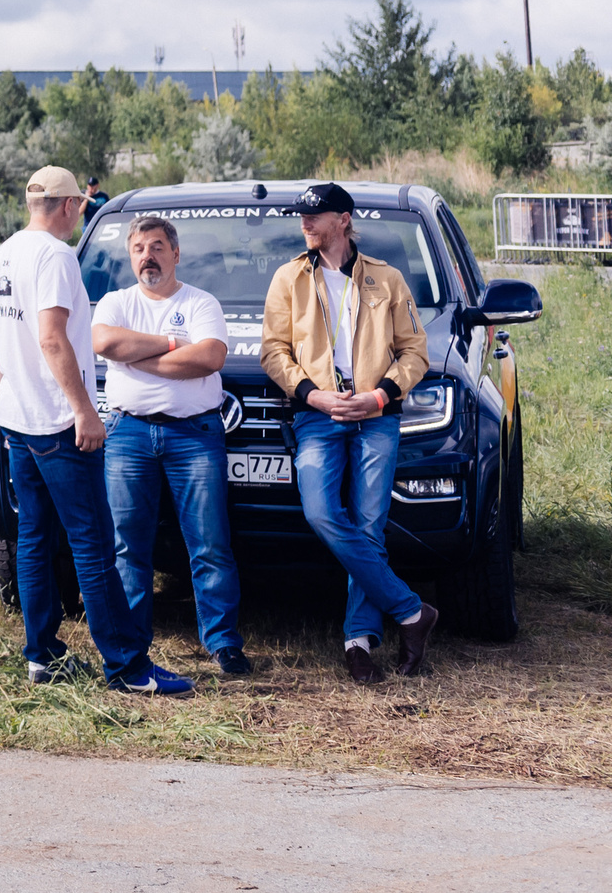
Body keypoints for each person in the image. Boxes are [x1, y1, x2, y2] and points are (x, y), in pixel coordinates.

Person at [0, 166, 193, 695]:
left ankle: (42, 656)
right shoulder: (54, 256)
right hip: (57, 423)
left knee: (33, 538)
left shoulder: (3, 254)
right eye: (78, 207)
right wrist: (83, 410)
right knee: (94, 545)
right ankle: (127, 666)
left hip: (18, 417)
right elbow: (52, 338)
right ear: (70, 206)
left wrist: (15, 395)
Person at [261, 182, 436, 681]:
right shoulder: (288, 278)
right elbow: (274, 351)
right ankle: (411, 612)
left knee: (369, 524)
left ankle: (358, 642)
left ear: (344, 218)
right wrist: (311, 395)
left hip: (376, 415)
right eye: (302, 215)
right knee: (320, 512)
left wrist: (380, 394)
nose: (305, 222)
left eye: (315, 215)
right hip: (317, 415)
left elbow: (414, 353)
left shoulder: (387, 279)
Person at [92, 215, 247, 676]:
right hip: (128, 434)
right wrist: (167, 345)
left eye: (157, 246)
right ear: (130, 256)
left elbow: (209, 358)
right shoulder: (116, 302)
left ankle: (223, 643)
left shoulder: (202, 303)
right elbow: (105, 342)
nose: (148, 256)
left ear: (175, 253)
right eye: (139, 248)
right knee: (128, 547)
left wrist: (137, 360)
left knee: (210, 543)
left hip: (194, 435)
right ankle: (130, 645)